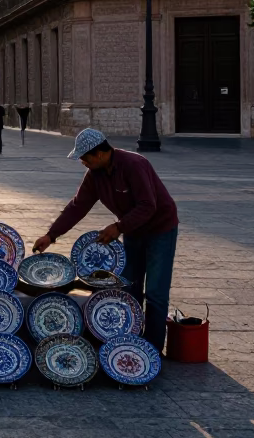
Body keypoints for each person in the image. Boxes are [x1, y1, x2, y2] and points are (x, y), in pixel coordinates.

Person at [32, 127, 179, 352]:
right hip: (134, 231)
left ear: (99, 154)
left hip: (160, 230)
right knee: (129, 288)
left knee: (156, 293)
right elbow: (77, 206)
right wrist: (51, 235)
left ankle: (152, 350)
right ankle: (131, 340)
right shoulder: (95, 175)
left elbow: (148, 206)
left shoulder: (134, 165)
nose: (82, 162)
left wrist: (118, 227)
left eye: (84, 158)